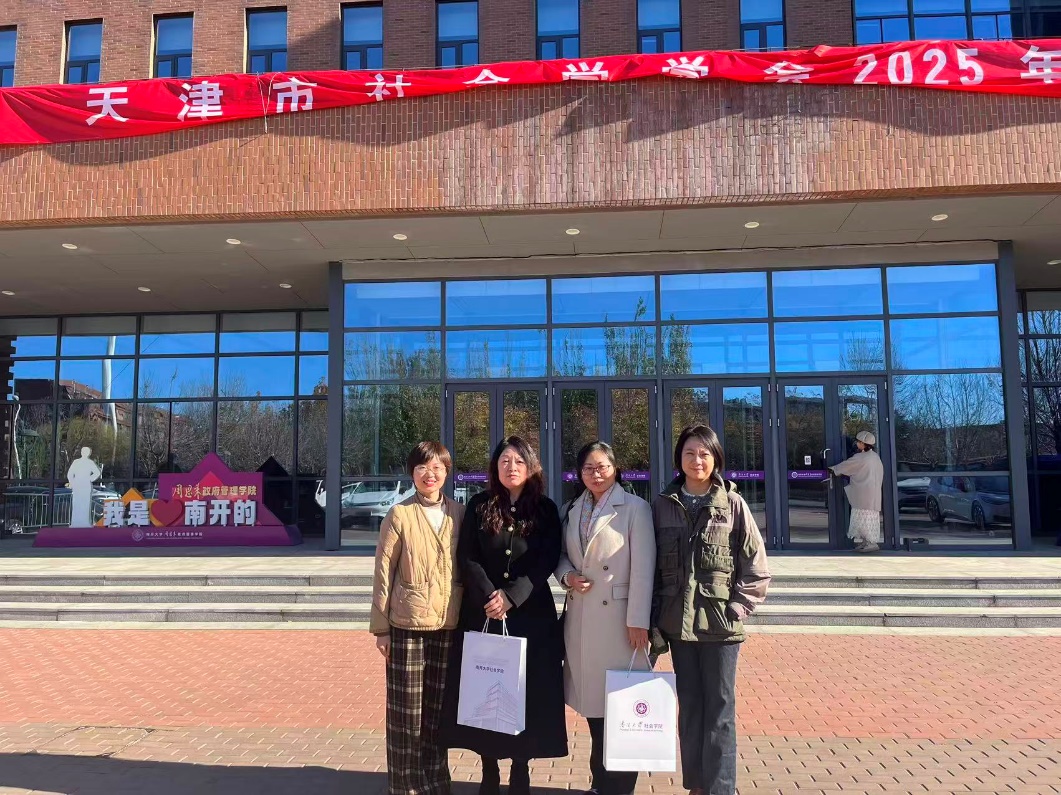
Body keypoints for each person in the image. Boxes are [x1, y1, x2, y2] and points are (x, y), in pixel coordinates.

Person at [441, 436, 568, 795]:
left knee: (524, 693)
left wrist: (512, 596)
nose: (512, 467)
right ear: (495, 467)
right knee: (486, 690)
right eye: (505, 461)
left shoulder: (544, 509)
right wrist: (489, 595)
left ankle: (521, 767)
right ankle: (489, 769)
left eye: (519, 461)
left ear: (531, 467)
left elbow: (547, 557)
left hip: (531, 615)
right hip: (483, 614)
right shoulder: (480, 505)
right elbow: (468, 556)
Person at [652, 425, 771, 795]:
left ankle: (721, 787)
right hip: (678, 625)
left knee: (720, 710)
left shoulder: (732, 504)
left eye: (704, 453)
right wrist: (653, 618)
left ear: (715, 458)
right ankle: (697, 785)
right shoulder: (662, 505)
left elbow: (755, 564)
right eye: (689, 453)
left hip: (721, 627)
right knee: (690, 709)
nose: (697, 460)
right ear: (679, 459)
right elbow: (649, 565)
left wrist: (738, 607)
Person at [555, 441, 655, 795]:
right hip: (582, 621)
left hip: (620, 625)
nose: (596, 474)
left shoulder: (635, 508)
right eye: (588, 468)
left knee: (622, 711)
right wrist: (567, 576)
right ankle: (601, 782)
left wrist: (638, 620)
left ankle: (620, 787)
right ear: (579, 473)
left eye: (602, 467)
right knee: (596, 712)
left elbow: (643, 568)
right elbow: (561, 556)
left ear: (615, 468)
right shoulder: (571, 509)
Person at [370, 441, 466, 795]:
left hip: (448, 623)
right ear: (412, 473)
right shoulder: (400, 514)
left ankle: (436, 781)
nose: (430, 474)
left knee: (438, 712)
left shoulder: (459, 513)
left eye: (437, 467)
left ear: (446, 472)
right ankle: (406, 784)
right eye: (423, 468)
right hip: (407, 624)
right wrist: (381, 628)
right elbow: (384, 572)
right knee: (406, 714)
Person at [830, 430, 885, 553]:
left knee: (862, 518)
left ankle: (870, 543)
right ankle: (867, 542)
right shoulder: (875, 457)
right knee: (870, 518)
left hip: (863, 493)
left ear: (864, 444)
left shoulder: (860, 457)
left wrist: (833, 469)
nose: (857, 443)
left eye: (859, 442)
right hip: (873, 493)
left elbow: (847, 466)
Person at [66, 447, 101, 528]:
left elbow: (97, 473)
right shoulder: (77, 462)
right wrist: (73, 482)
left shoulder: (88, 462)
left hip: (83, 485)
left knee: (84, 504)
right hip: (80, 485)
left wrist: (89, 479)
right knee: (78, 504)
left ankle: (83, 522)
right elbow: (70, 474)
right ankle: (76, 522)